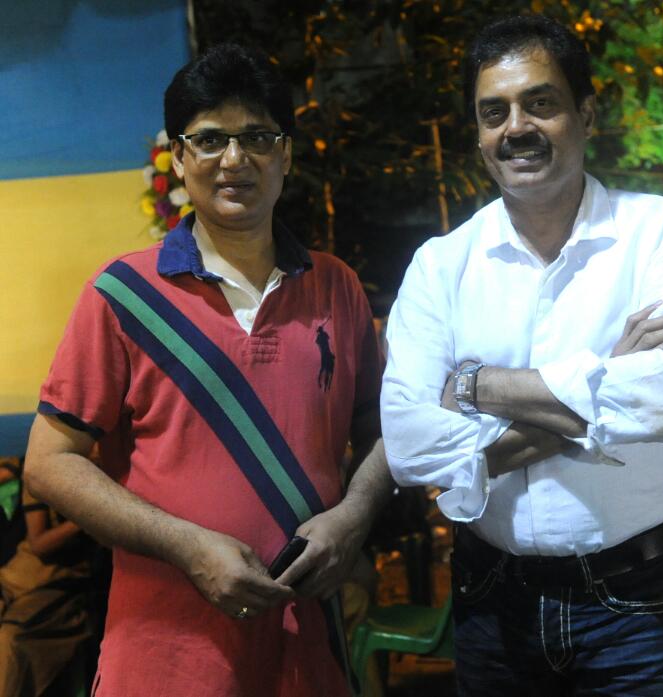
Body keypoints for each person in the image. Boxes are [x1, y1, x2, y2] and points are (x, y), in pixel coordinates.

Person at [25, 43, 391, 697]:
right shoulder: (122, 294)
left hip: (306, 651)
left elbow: (384, 430)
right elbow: (49, 463)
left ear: (286, 154)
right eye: (210, 139)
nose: (234, 159)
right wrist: (186, 546)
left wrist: (354, 516)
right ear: (178, 157)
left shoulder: (336, 287)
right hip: (164, 654)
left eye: (257, 137)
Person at [381, 14, 663, 697]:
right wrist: (606, 382)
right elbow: (411, 447)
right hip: (492, 600)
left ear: (584, 113)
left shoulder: (661, 232)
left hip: (637, 603)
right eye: (494, 112)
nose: (516, 128)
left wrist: (475, 385)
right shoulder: (441, 265)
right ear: (478, 133)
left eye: (540, 103)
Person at [0, 483, 93, 697]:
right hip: (16, 577)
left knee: (11, 641)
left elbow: (39, 544)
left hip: (58, 586)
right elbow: (38, 543)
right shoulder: (38, 478)